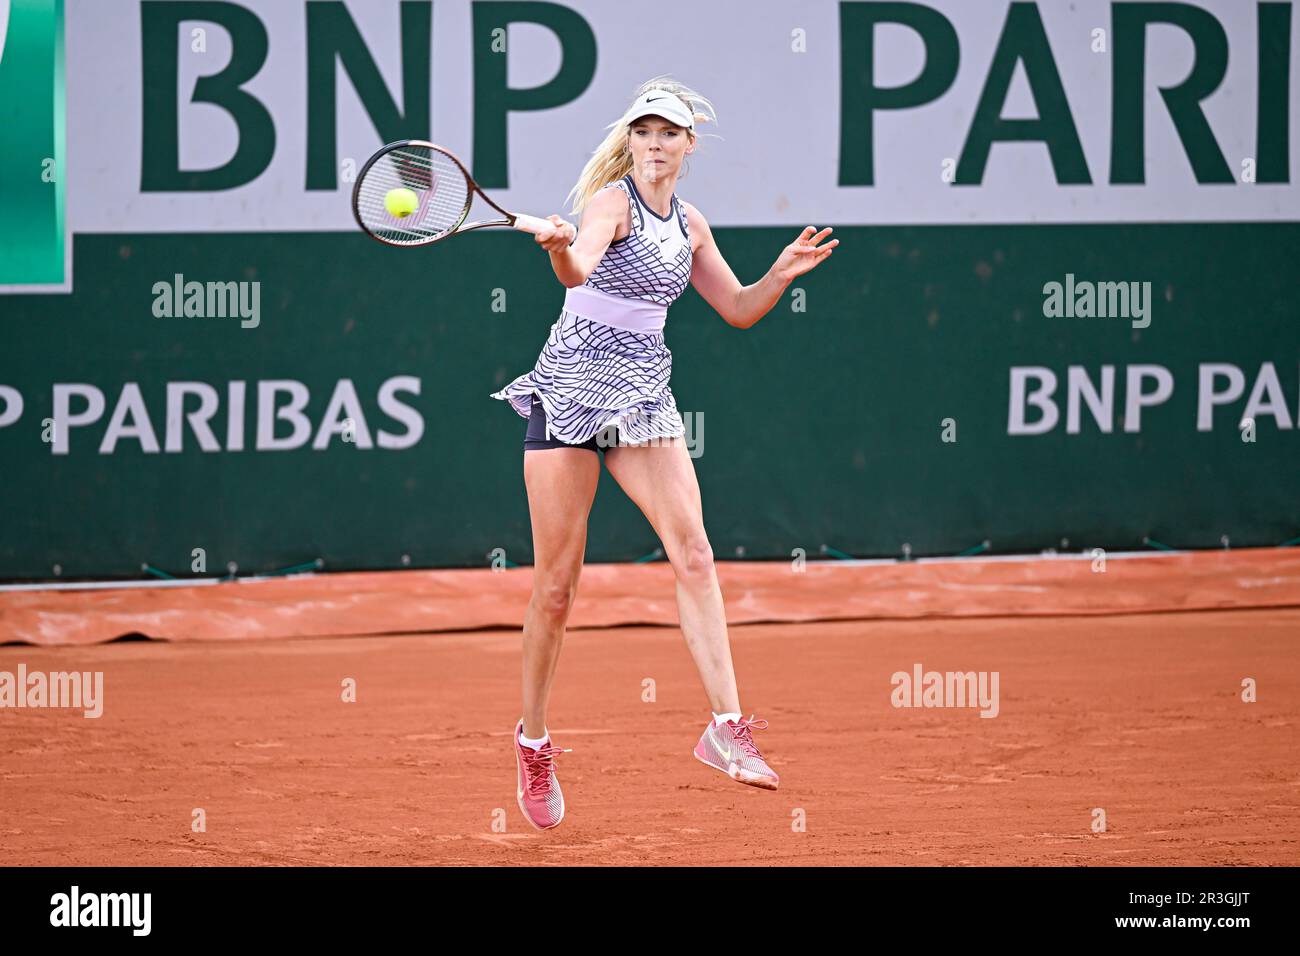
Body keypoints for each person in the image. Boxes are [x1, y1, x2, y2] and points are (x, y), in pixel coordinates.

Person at [491, 76, 837, 830]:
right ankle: (534, 740)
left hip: (642, 397)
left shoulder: (692, 226)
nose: (655, 144)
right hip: (573, 385)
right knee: (556, 586)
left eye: (669, 133)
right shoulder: (611, 203)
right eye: (643, 132)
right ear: (630, 140)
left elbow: (738, 310)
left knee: (696, 555)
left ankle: (724, 728)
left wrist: (778, 274)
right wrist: (557, 249)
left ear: (687, 145)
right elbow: (580, 268)